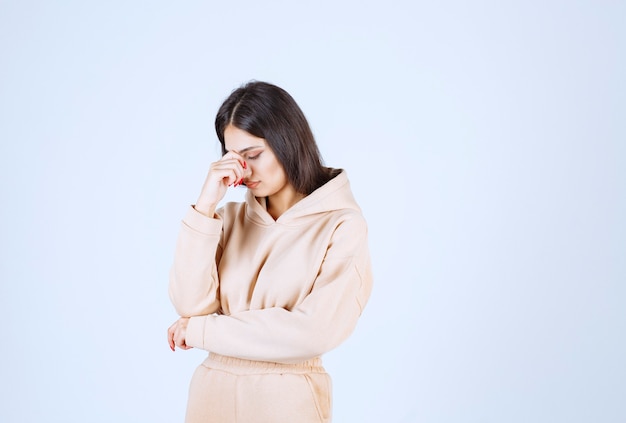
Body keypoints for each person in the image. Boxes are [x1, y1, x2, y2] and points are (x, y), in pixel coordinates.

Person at [167, 81, 373, 423]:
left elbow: (314, 332)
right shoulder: (227, 219)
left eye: (253, 155)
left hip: (286, 403)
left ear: (287, 141)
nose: (243, 170)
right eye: (234, 158)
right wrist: (205, 206)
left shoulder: (342, 225)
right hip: (210, 397)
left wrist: (204, 331)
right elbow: (190, 305)